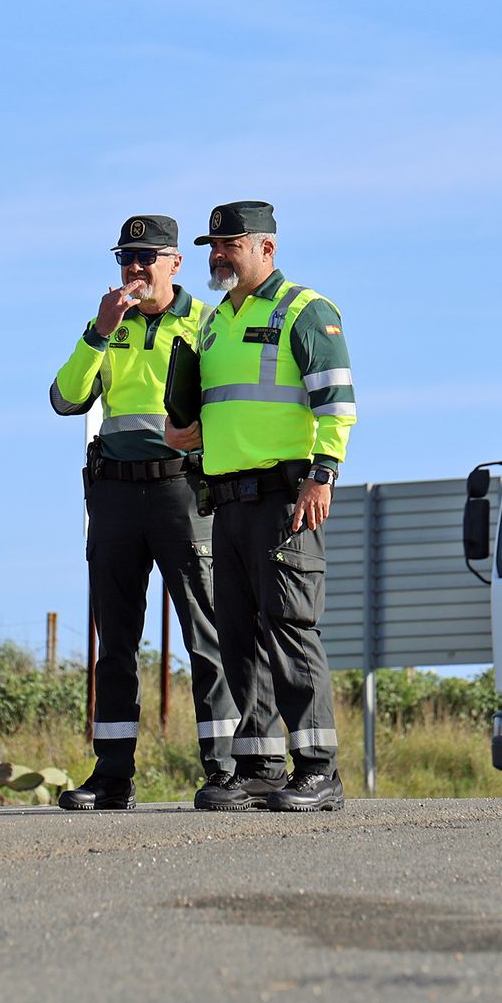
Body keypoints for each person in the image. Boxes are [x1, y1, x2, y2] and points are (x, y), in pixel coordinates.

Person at [164, 200, 356, 812]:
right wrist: (188, 431)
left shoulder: (305, 310)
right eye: (212, 246)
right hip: (228, 500)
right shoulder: (214, 322)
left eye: (231, 245)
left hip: (285, 496)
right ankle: (260, 763)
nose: (217, 256)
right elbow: (211, 410)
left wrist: (322, 475)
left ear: (266, 248)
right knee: (240, 633)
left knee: (291, 627)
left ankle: (319, 767)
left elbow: (338, 403)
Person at [48, 214, 239, 811]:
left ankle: (226, 769)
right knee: (117, 644)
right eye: (126, 258)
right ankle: (112, 776)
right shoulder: (108, 329)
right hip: (114, 498)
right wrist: (98, 333)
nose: (135, 268)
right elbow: (64, 398)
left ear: (175, 264)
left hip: (182, 494)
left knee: (207, 635)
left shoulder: (206, 323)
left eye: (148, 257)